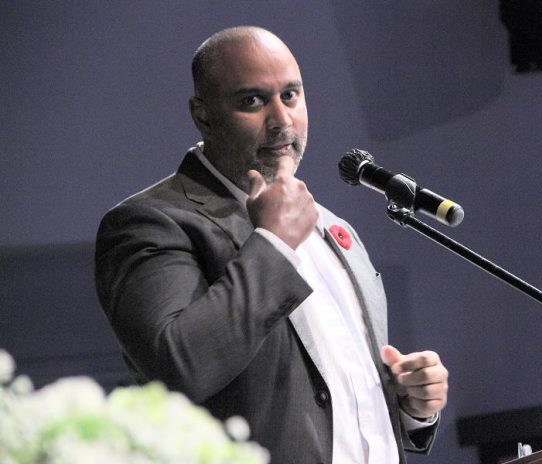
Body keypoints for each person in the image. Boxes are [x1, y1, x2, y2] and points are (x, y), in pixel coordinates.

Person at [95, 26, 448, 463]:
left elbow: (329, 394)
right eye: (252, 100)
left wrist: (412, 408)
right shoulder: (153, 222)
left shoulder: (335, 230)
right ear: (203, 114)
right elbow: (178, 368)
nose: (281, 120)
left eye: (291, 96)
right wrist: (275, 242)